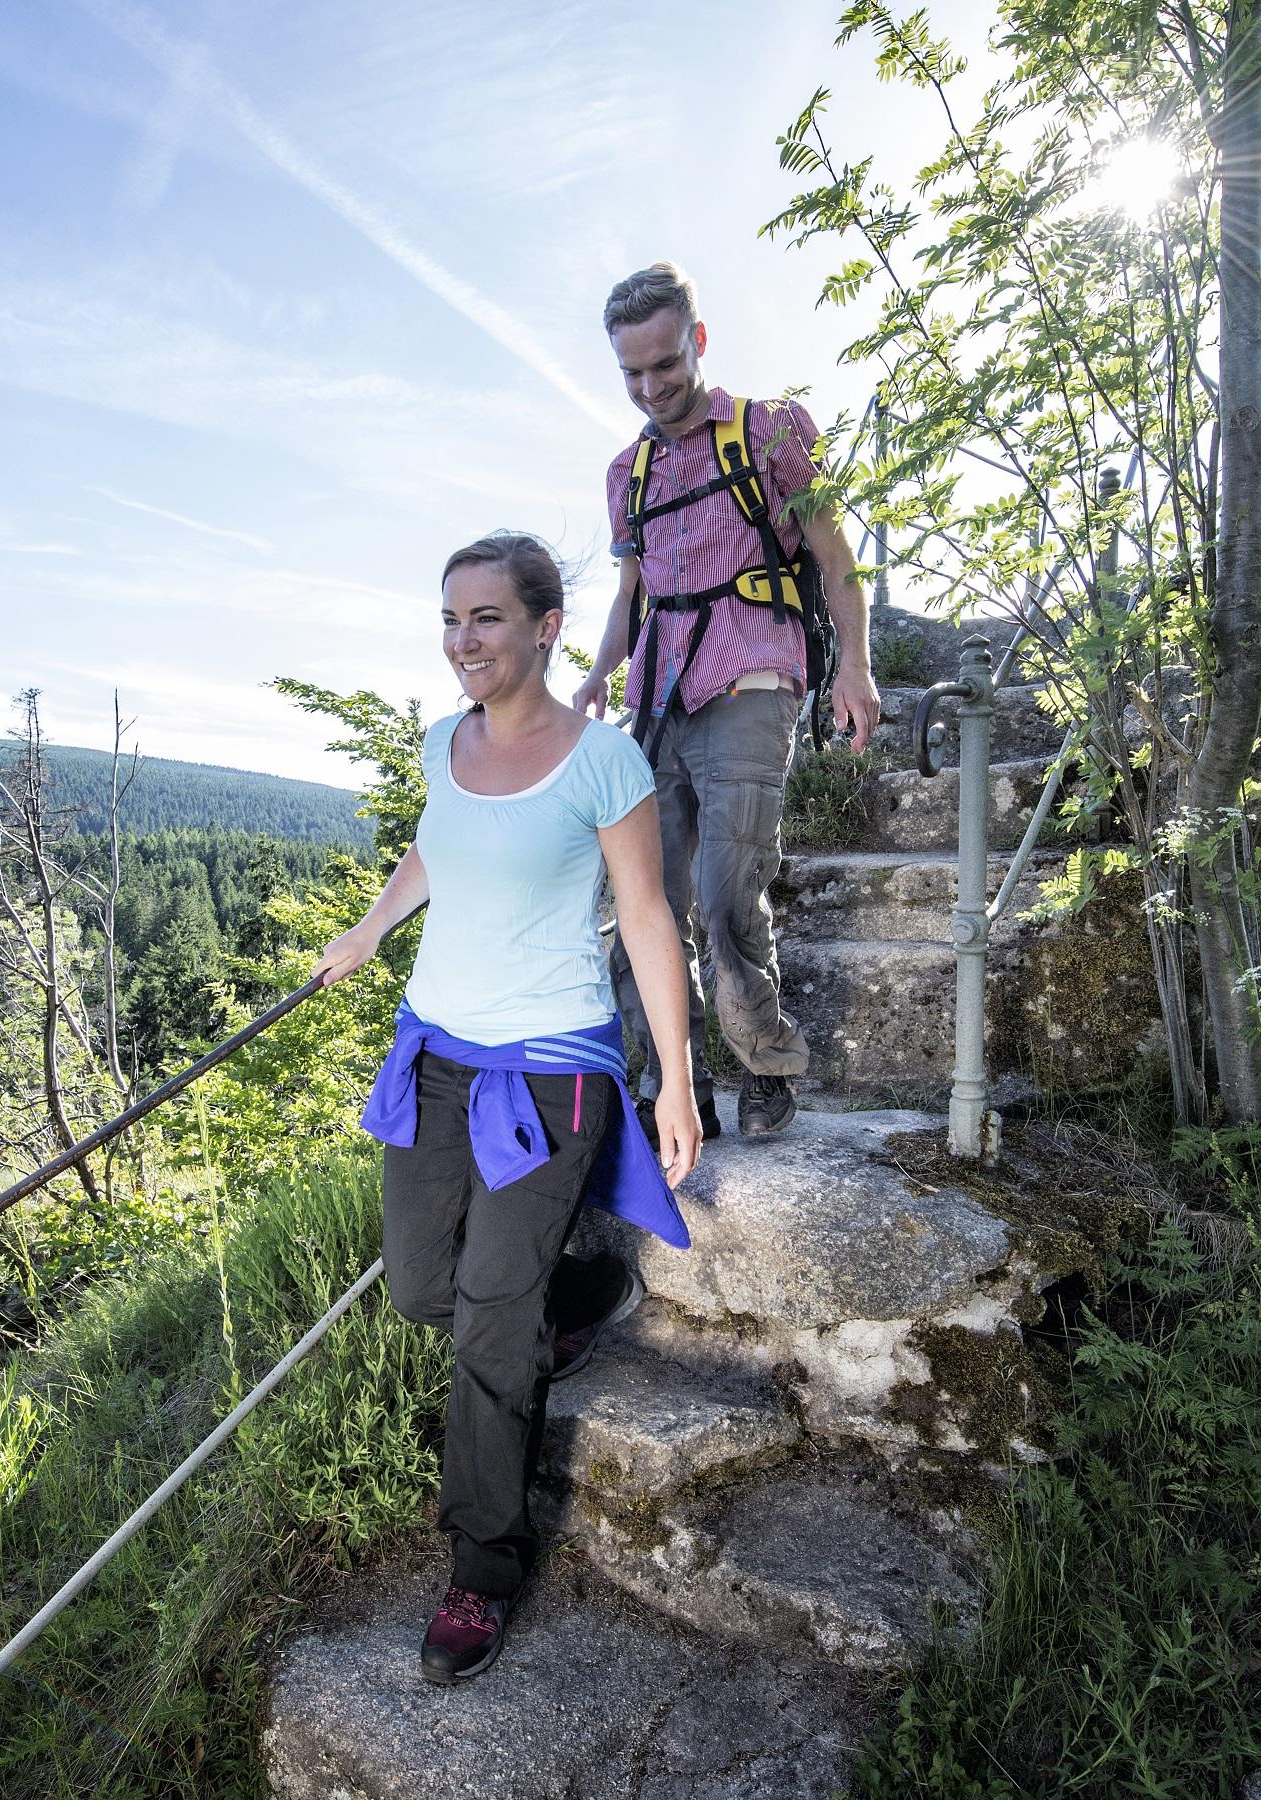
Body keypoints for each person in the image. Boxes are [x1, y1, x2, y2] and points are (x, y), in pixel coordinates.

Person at [312, 531, 703, 1688]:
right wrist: (370, 927)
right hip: (435, 1053)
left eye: (486, 617)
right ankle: (580, 1291)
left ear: (544, 627)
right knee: (424, 1287)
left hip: (550, 1067)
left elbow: (645, 919)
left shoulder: (603, 762)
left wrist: (673, 1077)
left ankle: (482, 1570)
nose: (463, 640)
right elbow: (436, 854)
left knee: (486, 1327)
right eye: (450, 619)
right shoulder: (444, 744)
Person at [572, 261, 882, 1141]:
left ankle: (767, 1062)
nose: (649, 386)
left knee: (723, 889)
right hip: (657, 704)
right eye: (630, 372)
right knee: (642, 898)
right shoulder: (624, 473)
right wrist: (601, 672)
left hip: (751, 682)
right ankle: (674, 1085)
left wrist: (853, 670)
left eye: (663, 364)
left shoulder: (769, 431)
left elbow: (836, 559)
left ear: (697, 341)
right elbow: (632, 593)